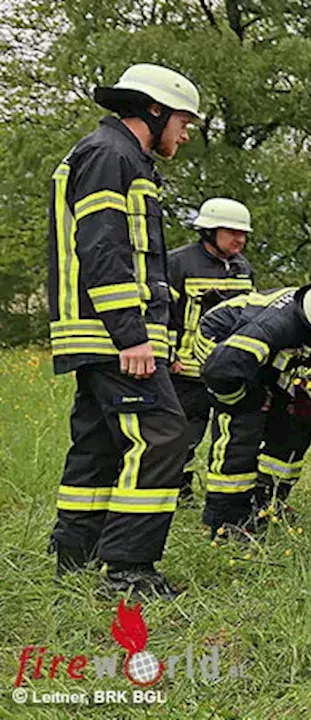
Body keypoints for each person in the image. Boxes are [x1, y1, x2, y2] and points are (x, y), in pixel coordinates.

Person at [46, 63, 202, 599]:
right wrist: (130, 333)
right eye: (184, 121)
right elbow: (104, 248)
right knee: (163, 435)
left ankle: (74, 554)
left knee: (97, 442)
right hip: (113, 334)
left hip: (95, 334)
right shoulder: (112, 156)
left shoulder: (111, 154)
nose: (185, 134)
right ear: (154, 110)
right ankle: (128, 570)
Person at [195, 280, 311, 538]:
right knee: (243, 425)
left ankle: (267, 500)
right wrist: (252, 398)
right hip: (222, 350)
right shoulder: (273, 327)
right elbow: (220, 371)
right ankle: (227, 522)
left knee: (296, 420)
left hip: (265, 359)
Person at [168, 198, 255, 503]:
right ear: (209, 231)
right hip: (185, 372)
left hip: (227, 371)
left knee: (230, 436)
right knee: (183, 436)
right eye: (232, 232)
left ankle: (225, 495)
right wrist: (169, 355)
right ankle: (179, 492)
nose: (240, 240)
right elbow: (163, 311)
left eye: (243, 234)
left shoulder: (243, 268)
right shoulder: (178, 263)